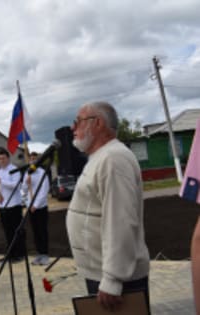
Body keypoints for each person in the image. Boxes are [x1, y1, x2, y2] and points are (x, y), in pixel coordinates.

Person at [66, 101, 150, 312]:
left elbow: (120, 220)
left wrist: (113, 279)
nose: (72, 128)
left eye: (78, 121)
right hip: (101, 273)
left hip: (117, 282)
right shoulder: (101, 156)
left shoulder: (113, 158)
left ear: (98, 123)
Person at [0, 148, 25, 263]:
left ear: (8, 158)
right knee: (7, 231)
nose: (1, 160)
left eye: (3, 158)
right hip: (3, 205)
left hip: (14, 204)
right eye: (0, 159)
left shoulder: (14, 169)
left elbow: (15, 185)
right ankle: (10, 254)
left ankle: (19, 254)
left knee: (16, 231)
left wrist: (1, 181)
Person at [22, 152, 50, 266]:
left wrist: (36, 205)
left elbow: (44, 191)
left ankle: (45, 255)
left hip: (40, 207)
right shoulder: (27, 173)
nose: (32, 160)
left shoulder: (43, 173)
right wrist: (26, 183)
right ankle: (39, 253)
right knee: (35, 231)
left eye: (35, 158)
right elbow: (23, 190)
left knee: (42, 231)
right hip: (30, 207)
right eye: (31, 158)